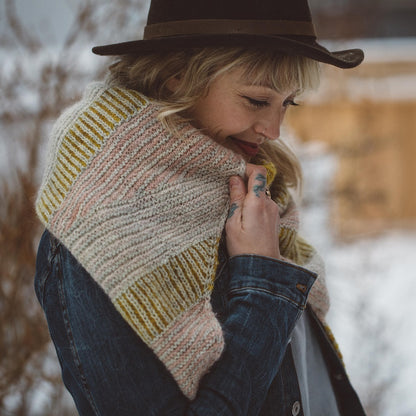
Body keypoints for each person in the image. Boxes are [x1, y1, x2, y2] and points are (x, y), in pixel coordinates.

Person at [34, 0, 366, 414]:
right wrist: (263, 276)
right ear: (178, 78)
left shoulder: (247, 192)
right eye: (257, 100)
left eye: (288, 103)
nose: (275, 129)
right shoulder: (103, 228)